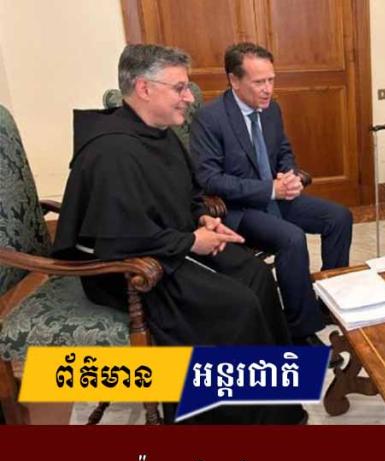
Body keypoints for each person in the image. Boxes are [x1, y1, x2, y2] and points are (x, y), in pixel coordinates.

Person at [53, 44, 306, 425]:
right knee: (236, 304)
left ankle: (279, 405)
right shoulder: (111, 151)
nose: (189, 98)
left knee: (256, 276)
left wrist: (201, 218)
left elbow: (186, 195)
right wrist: (191, 242)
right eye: (180, 88)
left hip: (167, 244)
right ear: (144, 88)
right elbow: (118, 237)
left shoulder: (160, 134)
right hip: (129, 268)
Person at [190, 42, 353, 346]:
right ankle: (300, 330)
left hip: (276, 197)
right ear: (234, 80)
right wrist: (269, 189)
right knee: (291, 237)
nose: (268, 89)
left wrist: (290, 176)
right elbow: (210, 179)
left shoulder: (271, 109)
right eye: (259, 82)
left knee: (339, 217)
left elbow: (283, 151)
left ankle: (330, 301)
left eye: (271, 80)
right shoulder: (210, 118)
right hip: (239, 209)